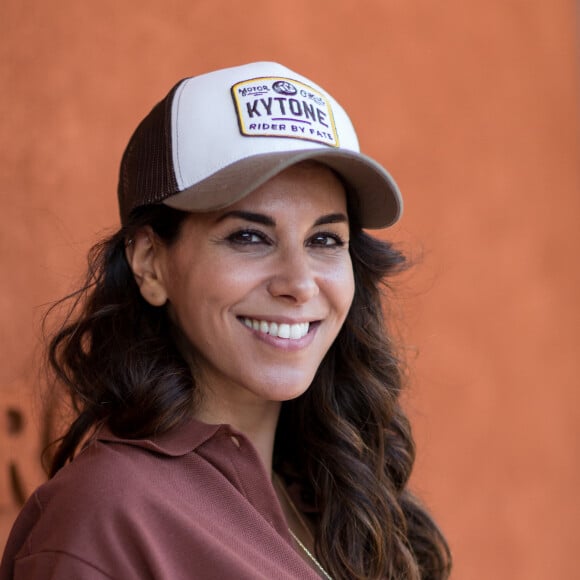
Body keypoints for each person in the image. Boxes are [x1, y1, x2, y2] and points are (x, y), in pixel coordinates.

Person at [0, 62, 451, 579]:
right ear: (150, 262)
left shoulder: (335, 490)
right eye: (249, 237)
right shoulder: (103, 519)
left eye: (324, 240)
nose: (299, 283)